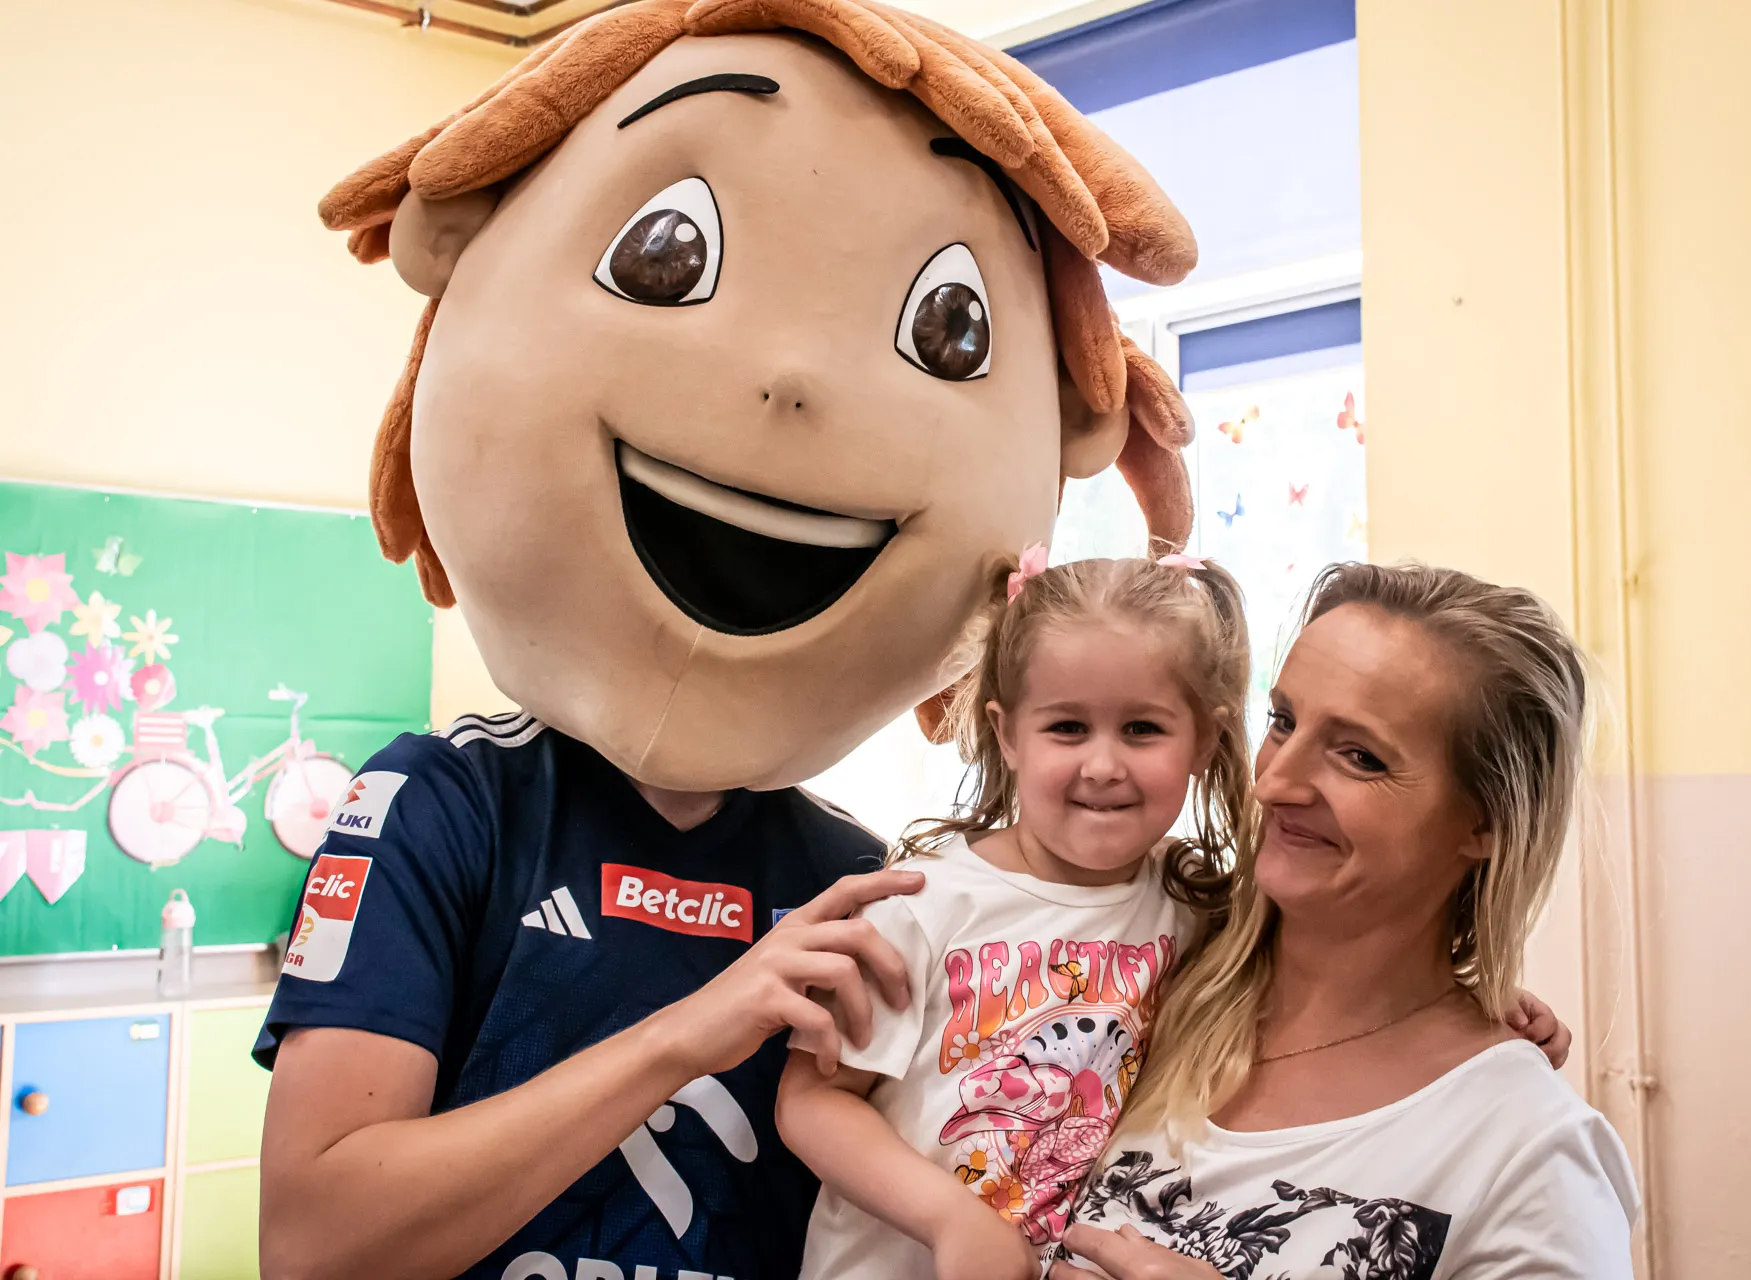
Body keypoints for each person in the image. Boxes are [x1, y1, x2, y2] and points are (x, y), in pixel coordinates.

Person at [253, 4, 1205, 1279]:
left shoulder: (855, 880)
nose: (792, 379)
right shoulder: (446, 807)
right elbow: (316, 1242)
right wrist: (690, 1032)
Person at [776, 556, 1573, 1280]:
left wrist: (1472, 1006)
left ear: (1205, 741)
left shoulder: (1191, 906)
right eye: (1067, 727)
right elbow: (810, 1098)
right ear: (1005, 732)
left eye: (1143, 730)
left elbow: (1364, 970)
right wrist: (948, 1218)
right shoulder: (919, 906)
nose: (1102, 765)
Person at [1052, 562, 1637, 1280]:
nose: (1274, 782)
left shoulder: (1530, 1154)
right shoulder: (1141, 981)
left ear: (1484, 823)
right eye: (1283, 722)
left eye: (1360, 757)